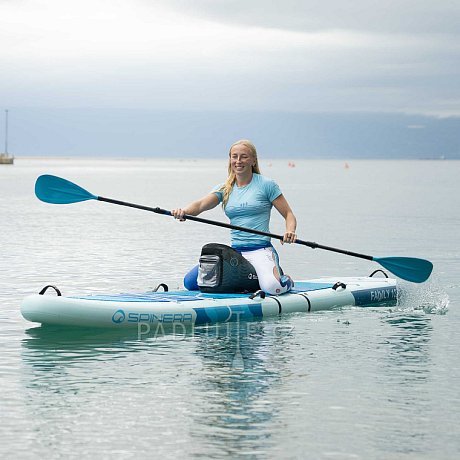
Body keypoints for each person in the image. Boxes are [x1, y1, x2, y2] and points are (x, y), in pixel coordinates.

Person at [171, 139, 297, 295]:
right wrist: (183, 211)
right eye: (234, 156)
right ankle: (252, 281)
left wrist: (289, 231)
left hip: (260, 250)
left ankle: (285, 279)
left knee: (273, 288)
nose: (238, 161)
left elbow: (289, 214)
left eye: (244, 157)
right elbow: (200, 205)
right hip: (236, 252)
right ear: (230, 160)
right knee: (190, 282)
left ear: (253, 160)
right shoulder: (225, 188)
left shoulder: (267, 185)